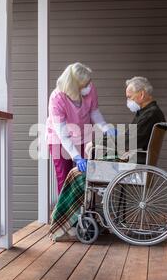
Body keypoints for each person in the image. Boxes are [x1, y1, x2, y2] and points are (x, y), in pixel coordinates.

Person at [49, 76, 167, 242]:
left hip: (133, 163)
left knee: (77, 174)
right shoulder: (150, 112)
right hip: (135, 159)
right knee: (83, 168)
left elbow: (130, 142)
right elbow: (132, 139)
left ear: (141, 95)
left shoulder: (150, 114)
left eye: (130, 96)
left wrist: (99, 142)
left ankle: (65, 221)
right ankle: (71, 219)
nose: (128, 100)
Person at [46, 62, 116, 195]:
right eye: (85, 84)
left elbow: (94, 111)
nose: (89, 86)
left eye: (89, 82)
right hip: (59, 139)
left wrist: (105, 127)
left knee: (86, 176)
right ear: (74, 86)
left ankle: (84, 210)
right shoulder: (57, 99)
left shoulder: (90, 88)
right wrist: (76, 157)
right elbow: (63, 135)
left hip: (83, 134)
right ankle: (66, 214)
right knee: (65, 177)